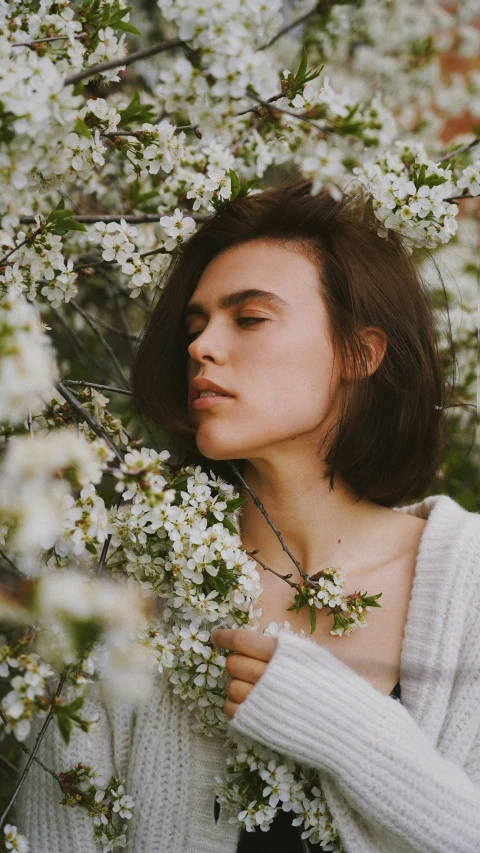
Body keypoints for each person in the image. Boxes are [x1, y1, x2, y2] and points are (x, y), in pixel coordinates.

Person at [16, 179, 480, 853]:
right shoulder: (123, 589)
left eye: (250, 317)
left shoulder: (471, 585)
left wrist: (349, 732)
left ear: (360, 352)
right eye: (196, 324)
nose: (202, 346)